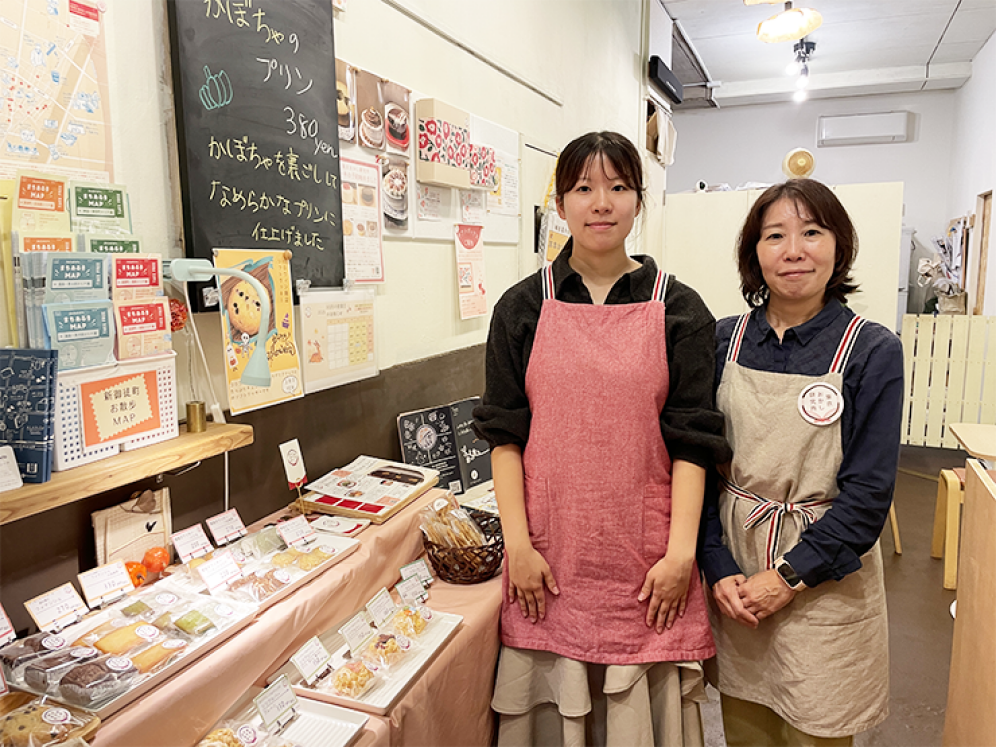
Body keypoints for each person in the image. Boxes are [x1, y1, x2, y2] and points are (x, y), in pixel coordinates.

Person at [473, 131, 730, 746]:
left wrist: (680, 555)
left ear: (638, 201)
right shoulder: (522, 306)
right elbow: (505, 434)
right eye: (584, 188)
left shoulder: (680, 308)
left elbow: (692, 440)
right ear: (559, 203)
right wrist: (519, 548)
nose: (601, 203)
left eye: (618, 187)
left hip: (646, 560)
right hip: (549, 554)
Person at [698, 179, 904, 747]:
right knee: (746, 728)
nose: (794, 251)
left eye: (812, 232)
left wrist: (787, 577)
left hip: (824, 578)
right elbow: (697, 462)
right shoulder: (721, 341)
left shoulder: (871, 350)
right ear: (753, 252)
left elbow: (867, 498)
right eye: (775, 236)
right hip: (736, 576)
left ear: (839, 247)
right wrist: (718, 567)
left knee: (818, 728)